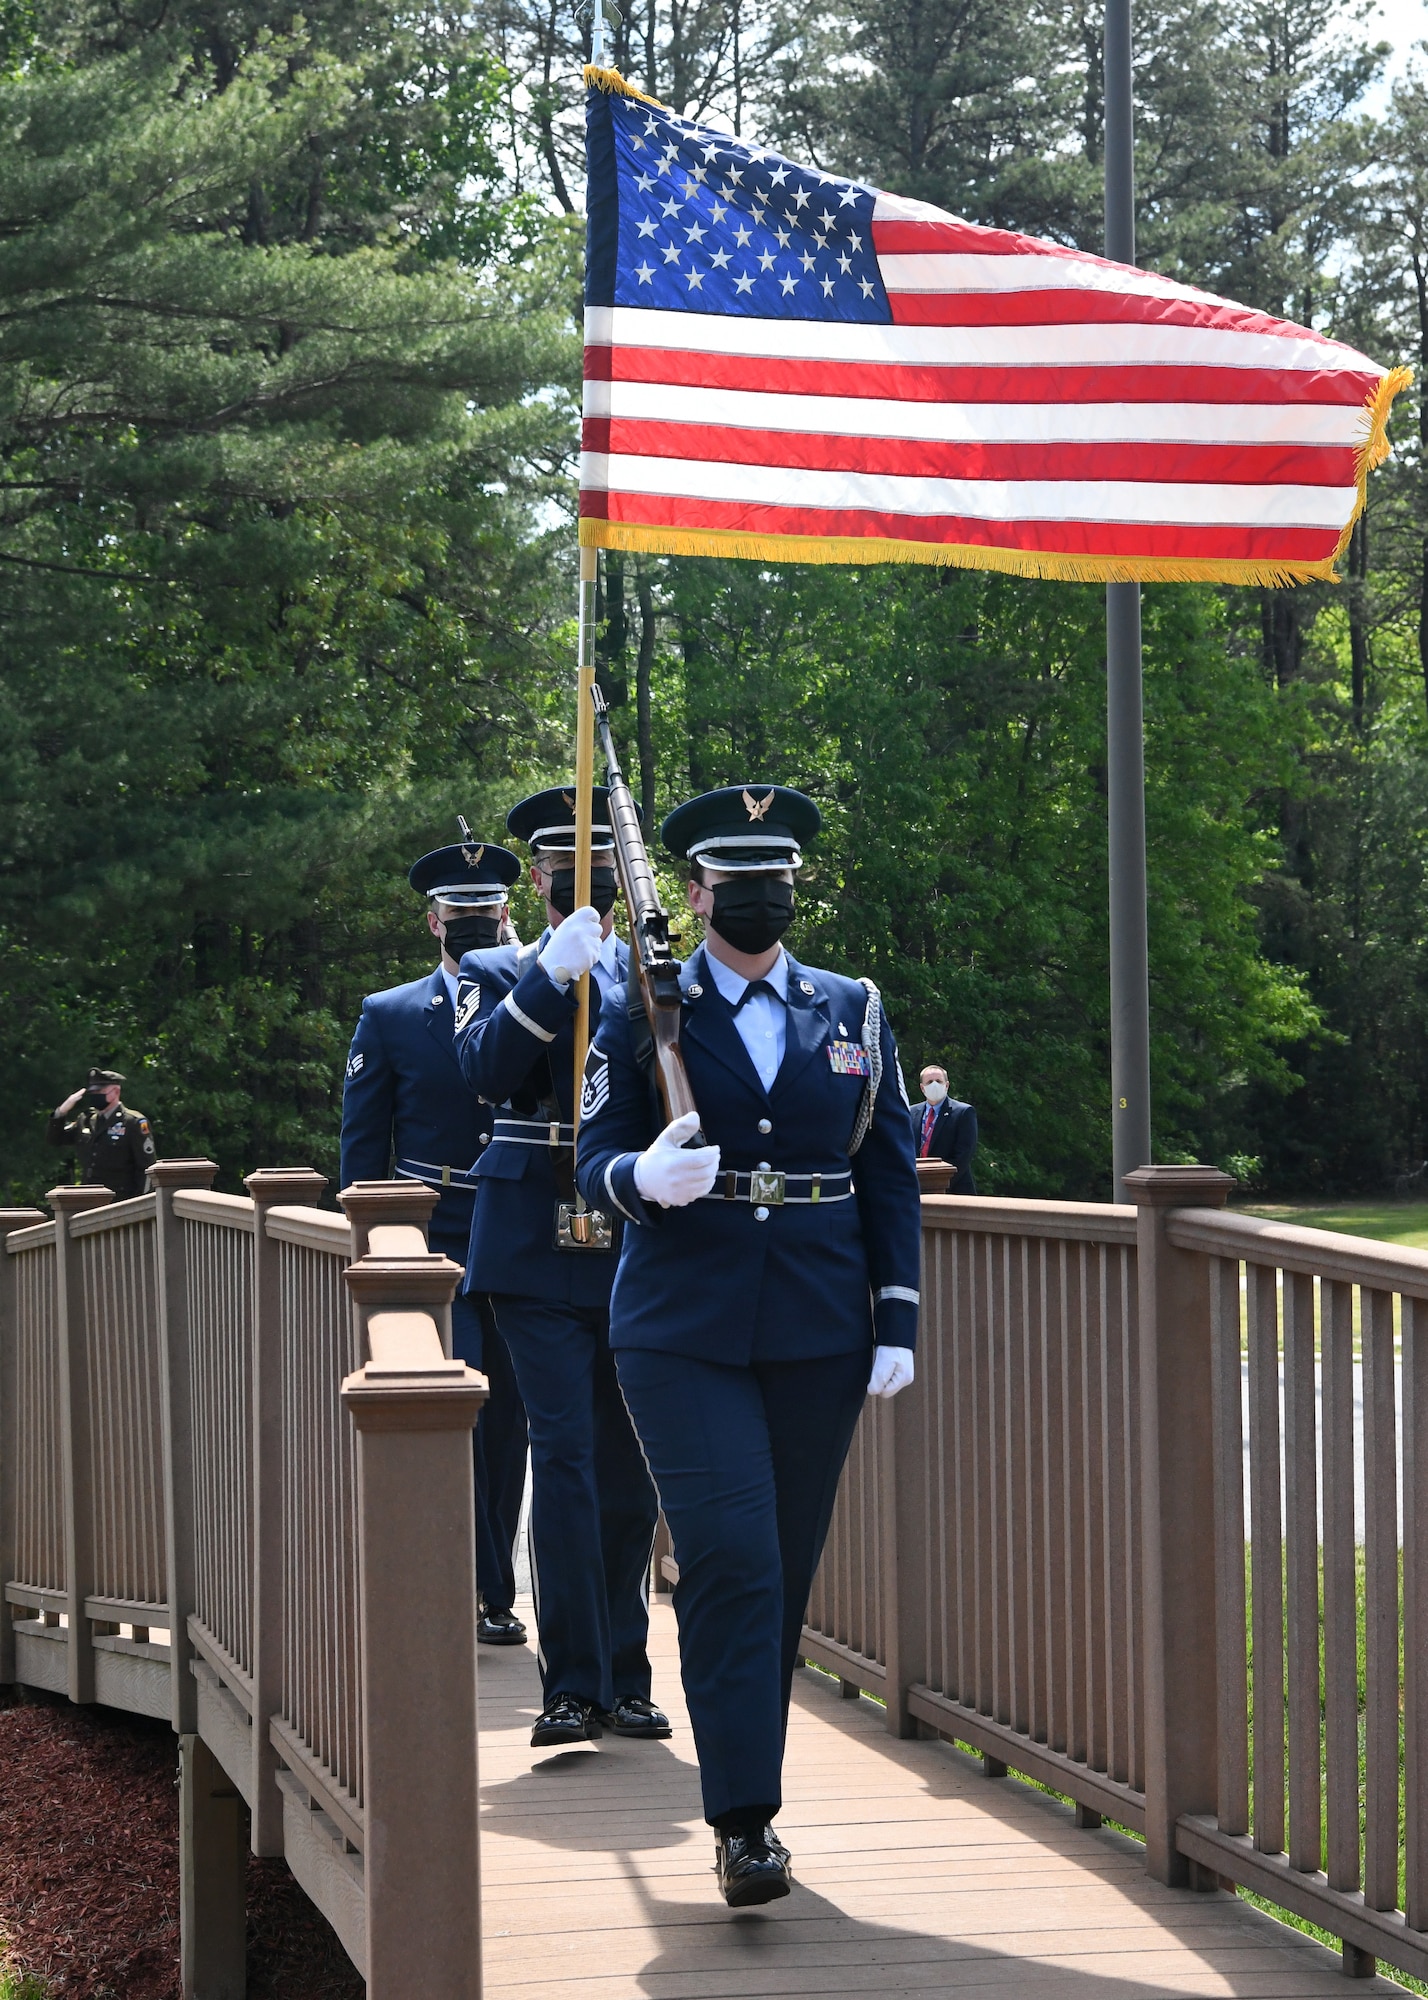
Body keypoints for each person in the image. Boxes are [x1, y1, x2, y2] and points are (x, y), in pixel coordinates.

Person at [574, 783, 921, 1909]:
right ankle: (744, 1820)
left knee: (781, 1572)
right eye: (738, 878)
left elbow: (888, 1171)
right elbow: (590, 1158)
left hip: (820, 1327)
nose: (761, 895)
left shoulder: (852, 1007)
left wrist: (897, 1314)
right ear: (695, 889)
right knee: (735, 1557)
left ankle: (747, 1798)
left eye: (778, 877)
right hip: (681, 1326)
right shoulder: (641, 1009)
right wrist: (640, 1177)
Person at [454, 785, 665, 1748]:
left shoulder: (653, 975)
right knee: (565, 1453)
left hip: (626, 1229)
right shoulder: (492, 964)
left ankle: (629, 1672)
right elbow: (486, 1073)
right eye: (554, 865)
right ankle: (571, 1680)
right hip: (533, 1239)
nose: (571, 879)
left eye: (589, 864)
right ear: (536, 879)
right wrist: (547, 980)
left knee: (629, 1467)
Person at [340, 830, 530, 1648]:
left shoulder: (540, 999)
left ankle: (493, 1578)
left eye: (486, 911)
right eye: (460, 913)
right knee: (469, 1409)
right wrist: (373, 1251)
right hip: (432, 1237)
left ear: (507, 914)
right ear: (433, 924)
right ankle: (489, 1587)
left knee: (513, 1417)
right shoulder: (388, 1015)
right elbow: (361, 1146)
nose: (475, 923)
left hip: (518, 1229)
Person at [47, 1069, 155, 1200]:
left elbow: (146, 1167)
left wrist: (140, 1203)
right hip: (88, 1200)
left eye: (99, 1091)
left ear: (115, 1092)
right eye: (92, 1092)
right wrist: (61, 1112)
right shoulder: (86, 1120)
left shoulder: (133, 1122)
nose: (95, 1095)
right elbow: (55, 1139)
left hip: (119, 1201)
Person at [915, 1064, 978, 1193]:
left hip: (953, 1189)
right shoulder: (911, 1113)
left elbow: (964, 1154)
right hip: (916, 1188)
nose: (934, 1085)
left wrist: (938, 1182)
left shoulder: (963, 1112)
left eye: (938, 1081)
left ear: (947, 1085)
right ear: (922, 1088)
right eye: (929, 1082)